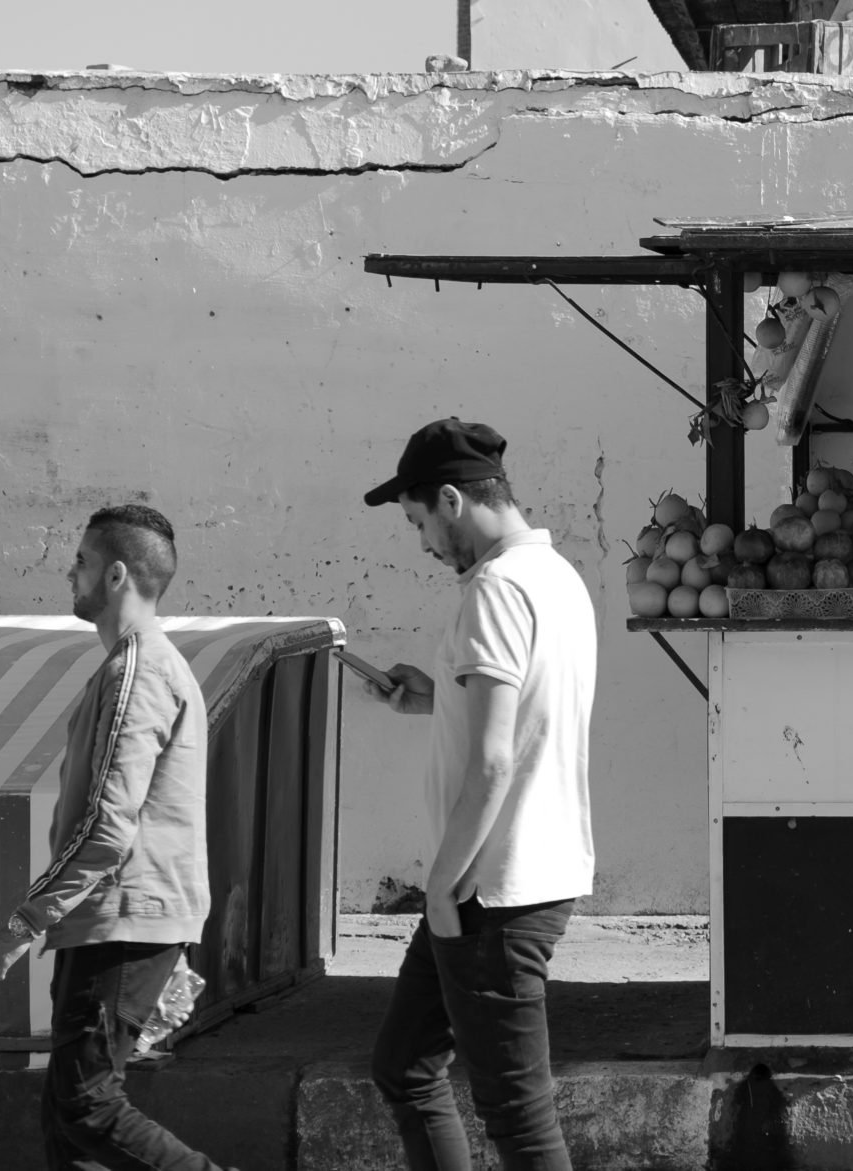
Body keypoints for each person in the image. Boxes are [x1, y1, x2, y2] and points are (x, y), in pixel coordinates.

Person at [363, 417, 598, 1171]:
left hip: (489, 889)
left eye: (419, 520)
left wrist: (437, 888)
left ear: (454, 500)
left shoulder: (493, 589)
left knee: (518, 1117)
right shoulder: (554, 575)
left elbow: (494, 762)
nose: (423, 542)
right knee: (403, 1064)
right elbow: (527, 712)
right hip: (502, 880)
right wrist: (440, 697)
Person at [0, 504, 231, 1171]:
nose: (71, 572)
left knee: (87, 1104)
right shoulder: (136, 666)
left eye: (81, 560)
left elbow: (107, 826)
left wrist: (22, 922)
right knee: (68, 1119)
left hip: (125, 919)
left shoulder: (136, 674)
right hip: (111, 919)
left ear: (115, 573)